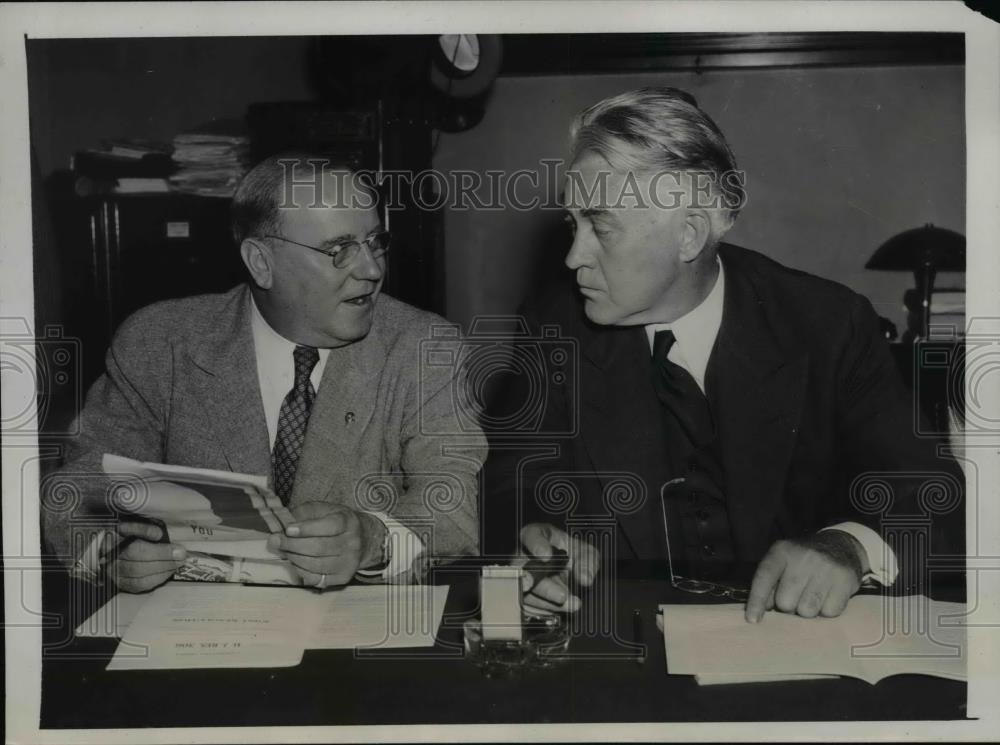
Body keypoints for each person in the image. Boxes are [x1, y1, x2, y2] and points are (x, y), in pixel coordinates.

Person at [484, 87, 963, 621]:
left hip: (792, 646)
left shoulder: (828, 325)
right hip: (627, 644)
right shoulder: (553, 326)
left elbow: (935, 495)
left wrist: (848, 547)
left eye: (602, 226)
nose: (574, 256)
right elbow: (510, 483)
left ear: (688, 235)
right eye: (575, 224)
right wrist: (531, 538)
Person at [43, 154, 485, 593]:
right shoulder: (160, 343)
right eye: (339, 250)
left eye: (375, 242)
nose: (372, 269)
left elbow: (453, 511)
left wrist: (374, 540)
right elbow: (78, 488)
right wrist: (110, 553)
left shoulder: (425, 347)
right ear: (260, 262)